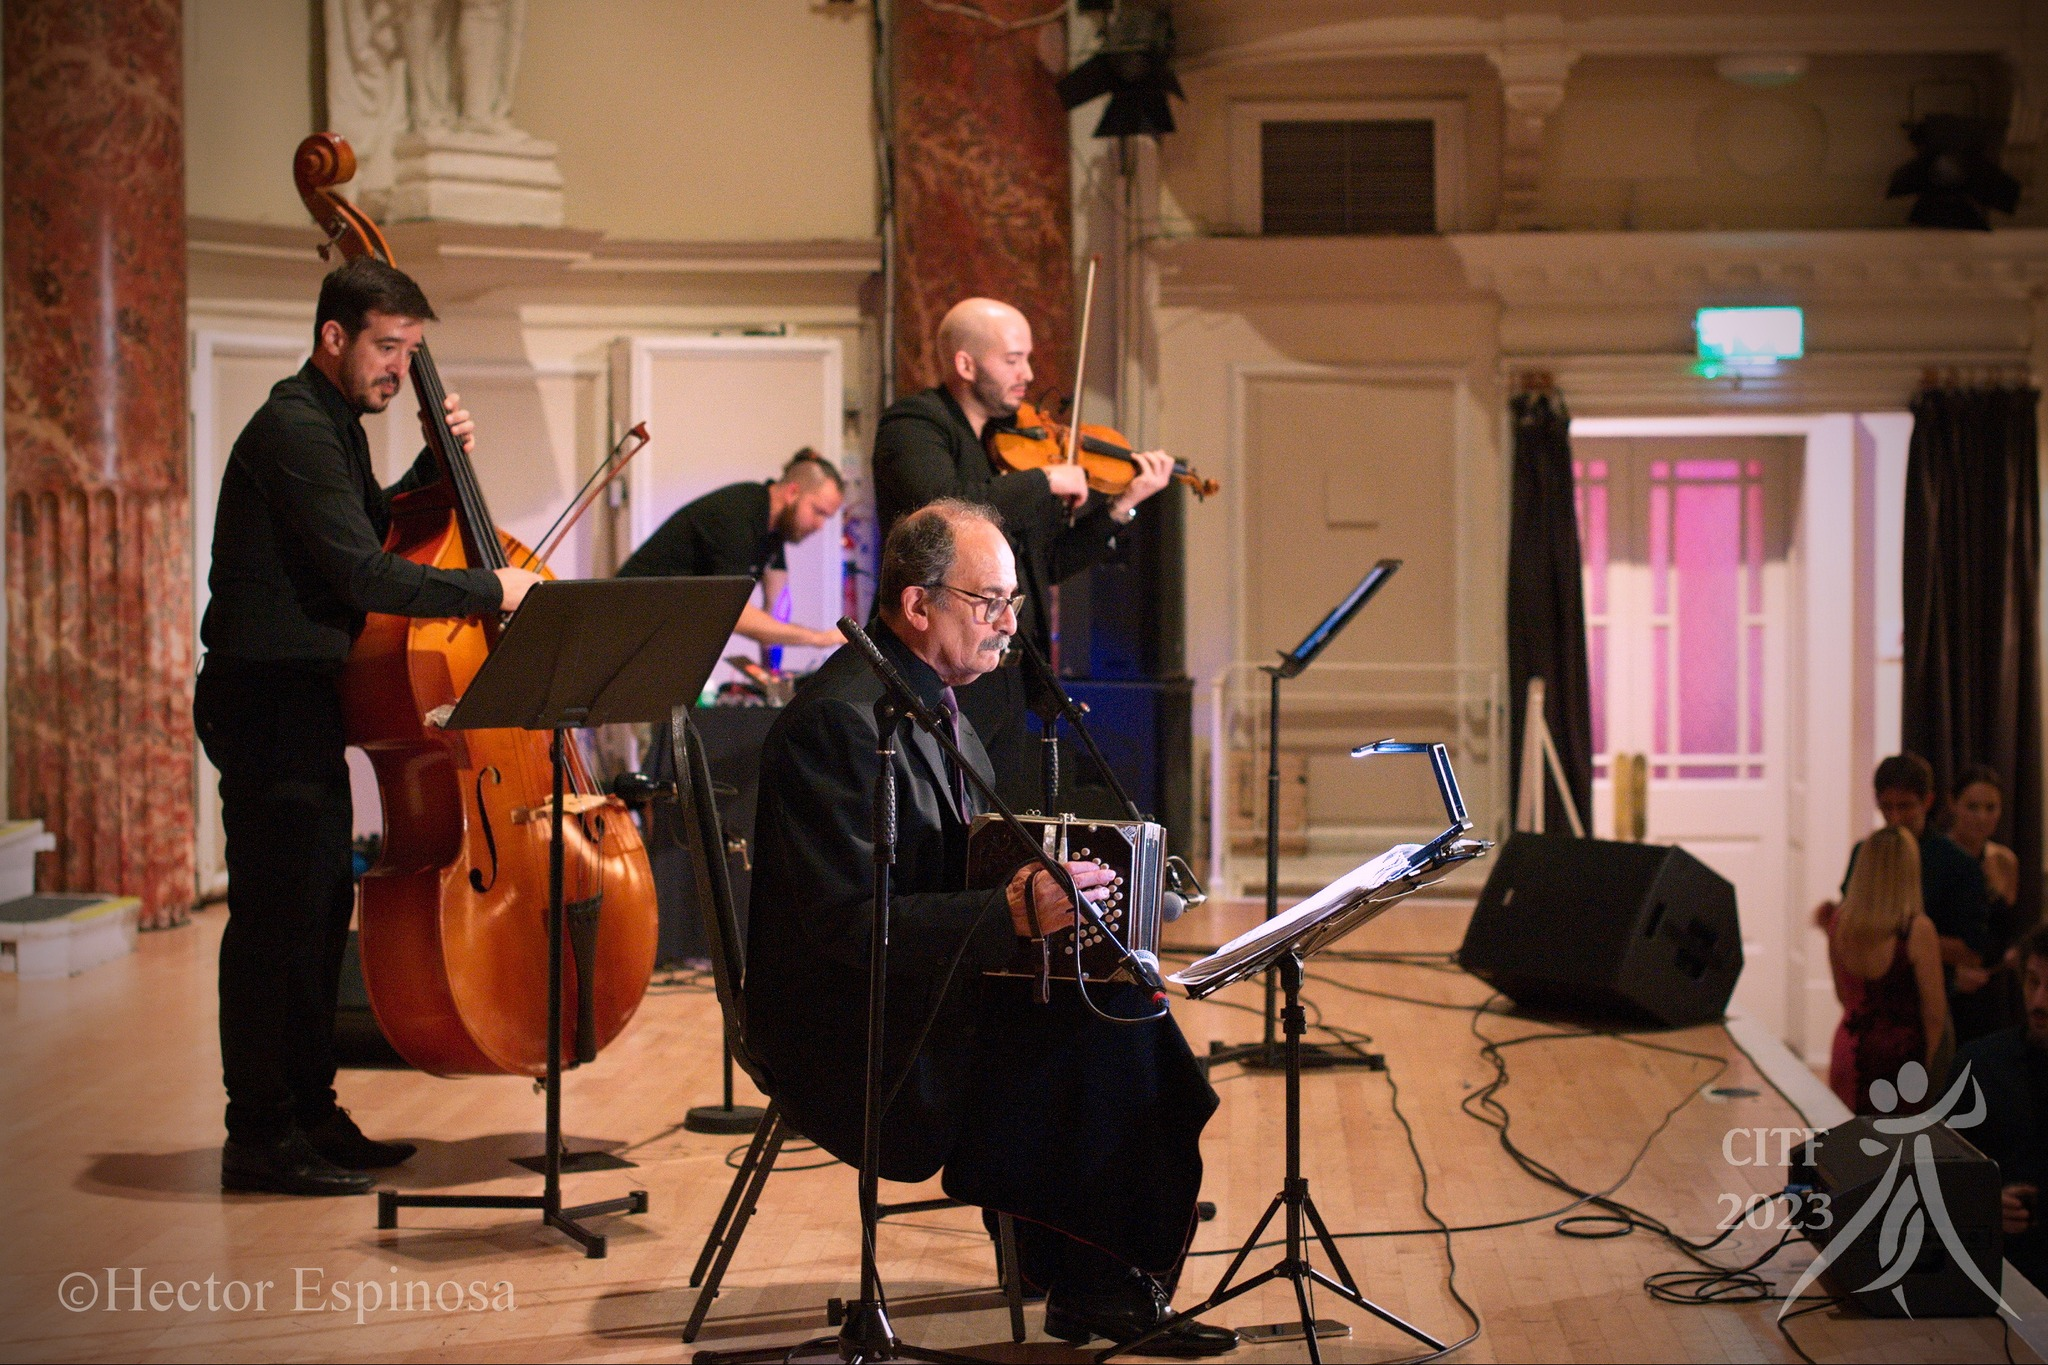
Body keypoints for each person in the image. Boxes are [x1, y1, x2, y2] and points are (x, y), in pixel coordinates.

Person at [744, 500, 1234, 1356]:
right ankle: (1094, 1277)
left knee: (1124, 995)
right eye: (989, 601)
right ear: (916, 605)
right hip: (854, 1030)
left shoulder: (924, 699)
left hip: (925, 984)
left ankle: (1088, 1267)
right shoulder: (843, 723)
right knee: (1108, 1028)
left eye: (1012, 599)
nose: (1011, 623)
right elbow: (846, 927)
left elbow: (950, 869)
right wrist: (1007, 911)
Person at [196, 257, 542, 1196]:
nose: (399, 368)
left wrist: (431, 469)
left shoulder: (332, 426)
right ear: (334, 338)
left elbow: (369, 527)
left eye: (412, 351)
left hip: (303, 697)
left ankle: (309, 1111)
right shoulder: (294, 427)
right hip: (266, 699)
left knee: (316, 916)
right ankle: (259, 1131)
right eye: (388, 348)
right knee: (278, 921)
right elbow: (361, 573)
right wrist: (487, 588)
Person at [871, 297, 1177, 808]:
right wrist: (1044, 479)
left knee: (1001, 816)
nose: (1028, 374)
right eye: (1013, 359)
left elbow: (1046, 565)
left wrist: (1121, 507)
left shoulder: (999, 446)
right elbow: (943, 509)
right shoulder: (915, 424)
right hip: (947, 666)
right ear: (966, 364)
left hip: (1006, 670)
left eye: (1028, 359)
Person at [1828, 754, 1998, 1042]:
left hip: (1929, 1008)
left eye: (1905, 806)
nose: (1894, 817)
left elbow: (1972, 951)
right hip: (1869, 1010)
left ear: (1928, 801)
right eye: (1886, 806)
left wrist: (1904, 939)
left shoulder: (1957, 864)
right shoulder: (1864, 853)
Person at [616, 448, 847, 650]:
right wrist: (819, 638)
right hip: (630, 623)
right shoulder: (739, 514)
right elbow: (732, 612)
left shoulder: (775, 529)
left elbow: (774, 614)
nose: (820, 526)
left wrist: (772, 679)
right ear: (792, 492)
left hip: (663, 631)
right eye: (818, 511)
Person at [1823, 827, 1949, 1113]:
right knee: (1894, 1152)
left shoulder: (1840, 922)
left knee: (1849, 1145)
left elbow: (1843, 995)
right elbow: (1934, 1014)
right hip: (1899, 1060)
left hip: (1848, 1049)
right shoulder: (1917, 930)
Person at [1956, 921, 2047, 1292]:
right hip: (1997, 1273)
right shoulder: (1981, 1066)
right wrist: (1983, 1203)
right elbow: (1935, 1178)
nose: (2040, 1002)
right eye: (2032, 981)